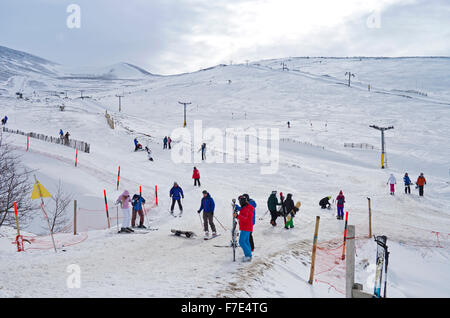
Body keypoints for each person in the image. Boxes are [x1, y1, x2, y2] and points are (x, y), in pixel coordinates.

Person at [233, 195, 254, 262]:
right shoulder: (246, 207)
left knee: (241, 242)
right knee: (246, 241)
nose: (240, 203)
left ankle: (248, 256)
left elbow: (245, 218)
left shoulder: (246, 208)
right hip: (247, 227)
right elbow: (243, 216)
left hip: (246, 227)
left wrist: (237, 216)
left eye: (240, 201)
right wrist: (237, 215)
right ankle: (248, 255)